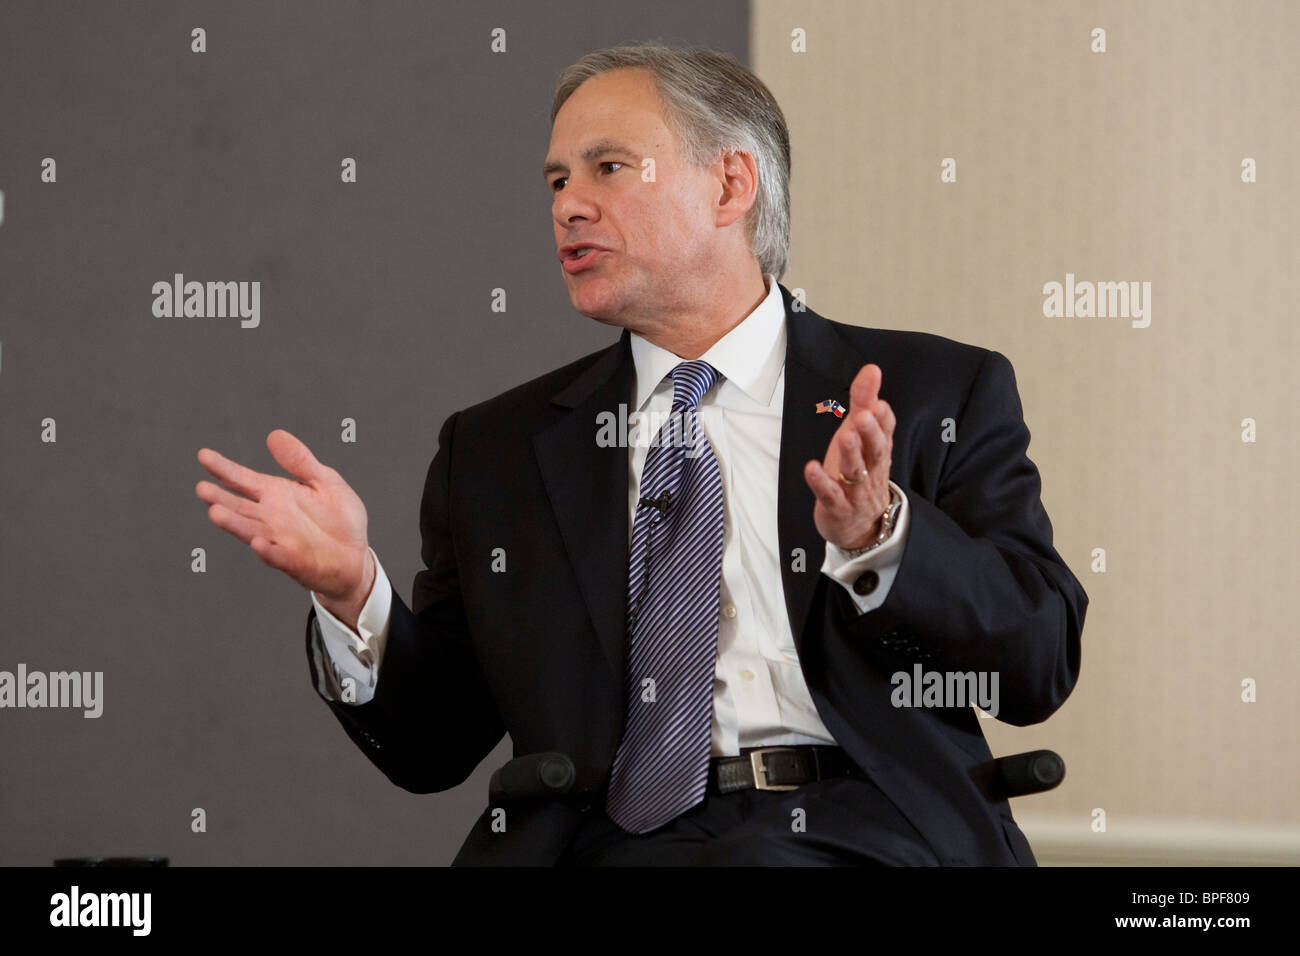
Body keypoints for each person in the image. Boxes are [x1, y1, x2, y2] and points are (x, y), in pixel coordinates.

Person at [195, 42, 1086, 866]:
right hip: (593, 845)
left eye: (609, 168)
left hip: (861, 832)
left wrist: (884, 539)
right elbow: (433, 748)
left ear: (730, 184)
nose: (567, 205)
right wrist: (353, 595)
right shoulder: (500, 447)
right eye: (555, 181)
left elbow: (1037, 665)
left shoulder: (932, 393)